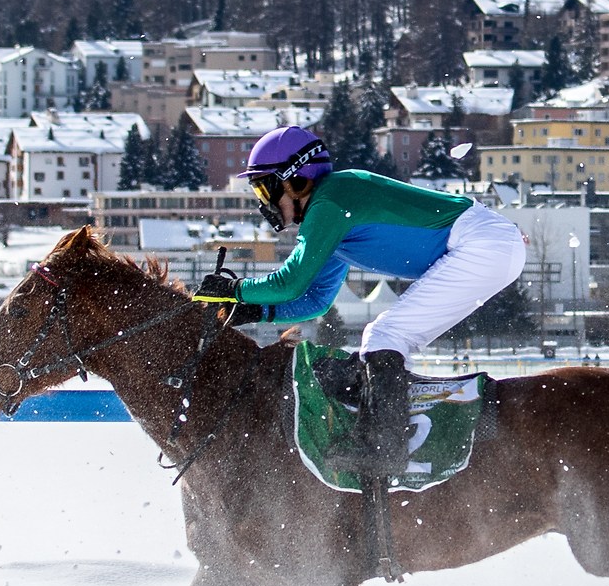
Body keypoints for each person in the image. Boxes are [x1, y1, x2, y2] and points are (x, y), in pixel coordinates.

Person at [198, 125, 528, 489]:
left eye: (264, 188)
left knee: (385, 334)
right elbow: (315, 300)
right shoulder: (331, 213)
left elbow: (289, 282)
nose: (263, 202)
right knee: (385, 337)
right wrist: (256, 312)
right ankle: (384, 429)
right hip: (490, 243)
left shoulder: (330, 201)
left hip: (482, 243)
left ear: (296, 179)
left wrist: (235, 290)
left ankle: (386, 446)